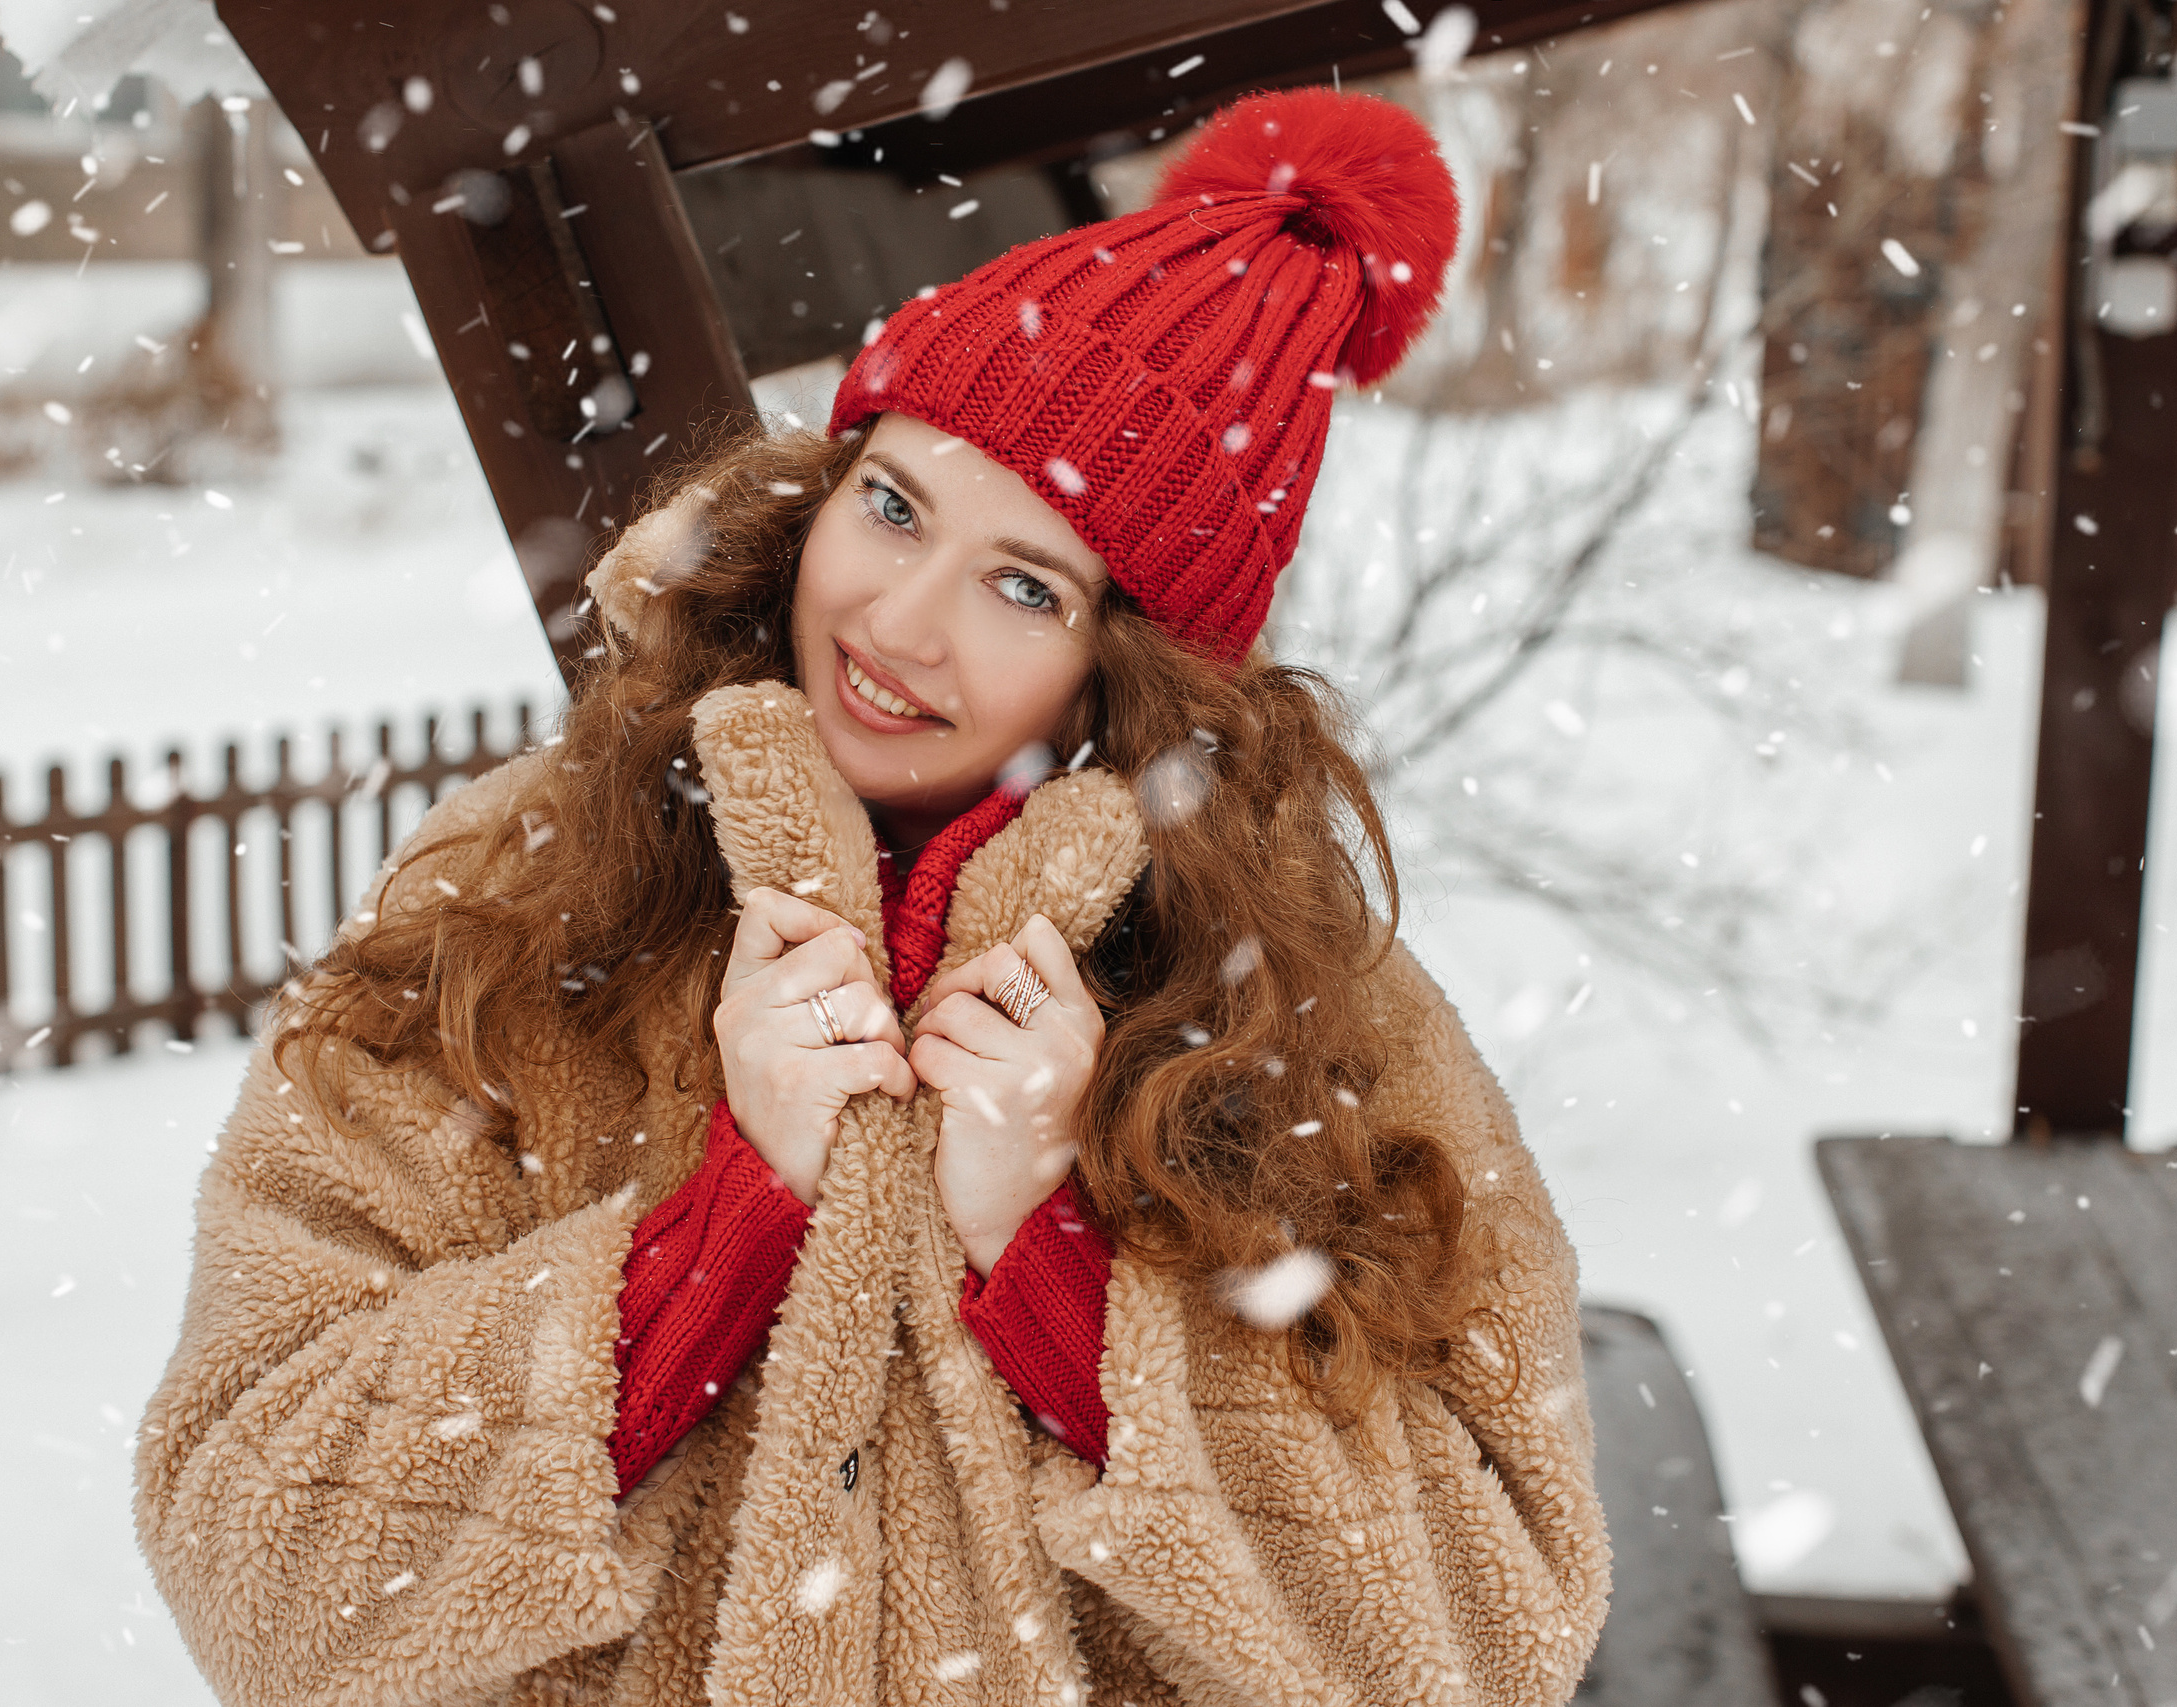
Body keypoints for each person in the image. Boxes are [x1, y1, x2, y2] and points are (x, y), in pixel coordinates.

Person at [135, 86, 1610, 1707]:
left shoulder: (1305, 1006)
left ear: (1136, 674)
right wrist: (708, 1241)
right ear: (816, 497)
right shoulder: (518, 898)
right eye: (895, 506)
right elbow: (244, 1556)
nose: (901, 621)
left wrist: (1044, 1263)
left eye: (1022, 583)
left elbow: (1491, 1639)